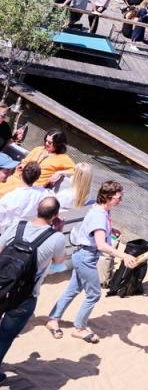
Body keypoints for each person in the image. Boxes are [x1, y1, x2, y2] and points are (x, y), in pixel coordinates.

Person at [47, 181, 137, 343]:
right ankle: (79, 328)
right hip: (86, 258)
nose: (121, 200)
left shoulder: (101, 210)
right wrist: (123, 256)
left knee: (73, 289)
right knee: (94, 294)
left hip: (83, 255)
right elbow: (102, 245)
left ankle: (53, 319)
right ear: (108, 197)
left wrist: (110, 231)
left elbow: (97, 233)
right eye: (118, 197)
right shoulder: (99, 215)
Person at [0, 197, 66, 380]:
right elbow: (59, 266)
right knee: (5, 336)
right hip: (25, 296)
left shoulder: (17, 226)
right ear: (55, 216)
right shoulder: (57, 238)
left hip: (1, 285)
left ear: (37, 209)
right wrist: (57, 231)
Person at [0, 129, 75, 197]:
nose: (46, 143)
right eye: (46, 140)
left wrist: (60, 172)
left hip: (32, 188)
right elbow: (25, 161)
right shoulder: (38, 149)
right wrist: (22, 166)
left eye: (50, 142)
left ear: (58, 144)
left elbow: (76, 170)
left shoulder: (63, 158)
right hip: (16, 179)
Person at [0, 162, 46, 234]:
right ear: (37, 178)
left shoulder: (10, 197)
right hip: (27, 232)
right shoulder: (43, 193)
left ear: (21, 174)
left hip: (7, 231)